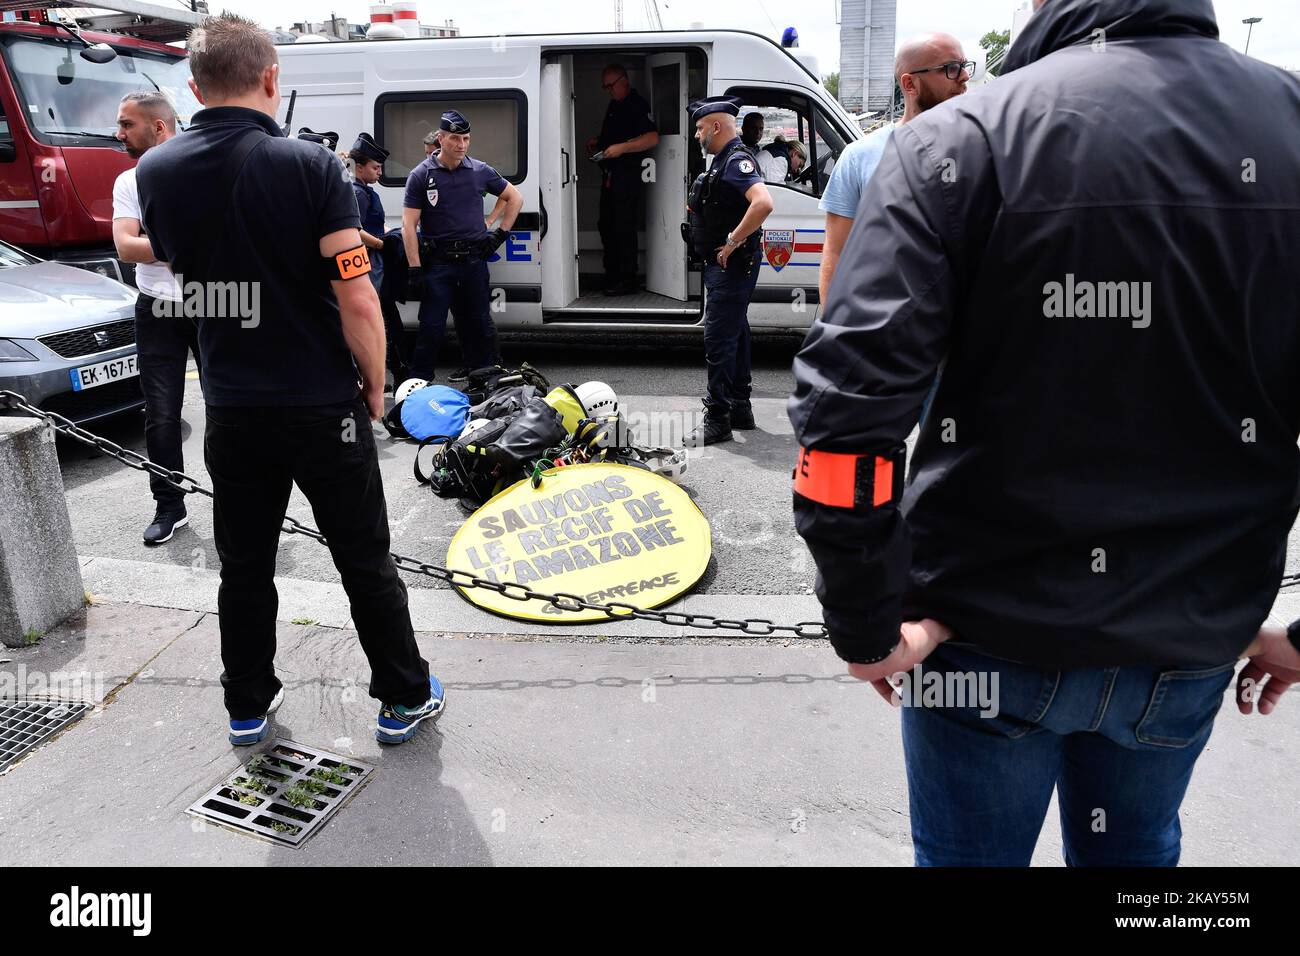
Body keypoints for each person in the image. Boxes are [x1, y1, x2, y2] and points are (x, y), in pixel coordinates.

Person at [789, 0, 1300, 866]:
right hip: (1195, 630)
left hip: (982, 630)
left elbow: (847, 416)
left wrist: (867, 628)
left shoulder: (959, 138)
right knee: (1139, 859)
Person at [137, 13, 444, 747]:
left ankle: (246, 705)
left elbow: (188, 277)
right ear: (271, 77)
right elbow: (358, 293)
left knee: (244, 567)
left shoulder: (154, 170)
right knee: (363, 559)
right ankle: (402, 695)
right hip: (320, 403)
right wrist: (375, 384)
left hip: (233, 405)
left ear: (193, 85)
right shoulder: (311, 167)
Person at [818, 33, 970, 305]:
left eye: (963, 65)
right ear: (910, 83)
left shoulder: (980, 152)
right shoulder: (859, 158)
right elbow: (836, 252)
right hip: (882, 327)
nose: (964, 76)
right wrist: (833, 327)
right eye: (950, 68)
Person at [111, 91, 194, 546]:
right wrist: (186, 247)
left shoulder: (202, 170)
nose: (119, 133)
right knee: (160, 415)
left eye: (127, 124)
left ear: (158, 127)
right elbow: (126, 246)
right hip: (156, 305)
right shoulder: (129, 180)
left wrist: (158, 243)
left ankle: (246, 505)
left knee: (231, 409)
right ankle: (170, 505)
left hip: (213, 300)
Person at [401, 109, 522, 380]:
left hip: (473, 262)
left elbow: (515, 197)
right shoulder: (421, 175)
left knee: (478, 324)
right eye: (456, 139)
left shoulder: (479, 170)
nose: (462, 145)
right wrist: (414, 268)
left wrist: (498, 234)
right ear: (441, 138)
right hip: (439, 263)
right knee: (431, 326)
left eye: (466, 139)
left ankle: (485, 383)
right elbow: (409, 225)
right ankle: (418, 385)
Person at [684, 96, 774, 447]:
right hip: (729, 267)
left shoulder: (736, 162)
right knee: (736, 333)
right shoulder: (724, 161)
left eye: (700, 128)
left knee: (718, 340)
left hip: (731, 267)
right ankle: (740, 407)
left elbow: (763, 202)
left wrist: (733, 241)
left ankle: (718, 417)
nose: (697, 135)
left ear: (717, 127)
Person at [588, 64, 659, 296]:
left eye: (611, 85)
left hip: (626, 178)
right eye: (604, 86)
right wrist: (599, 143)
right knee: (607, 226)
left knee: (623, 229)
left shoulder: (635, 104)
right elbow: (616, 135)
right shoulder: (615, 104)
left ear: (624, 80)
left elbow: (651, 138)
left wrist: (621, 148)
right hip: (610, 177)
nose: (608, 90)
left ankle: (627, 280)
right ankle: (613, 276)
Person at [348, 131, 410, 385]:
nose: (379, 172)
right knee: (382, 318)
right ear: (359, 167)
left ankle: (396, 371)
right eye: (375, 167)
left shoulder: (364, 190)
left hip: (374, 261)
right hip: (371, 263)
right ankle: (395, 372)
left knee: (386, 317)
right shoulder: (359, 193)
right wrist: (382, 243)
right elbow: (355, 229)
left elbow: (372, 224)